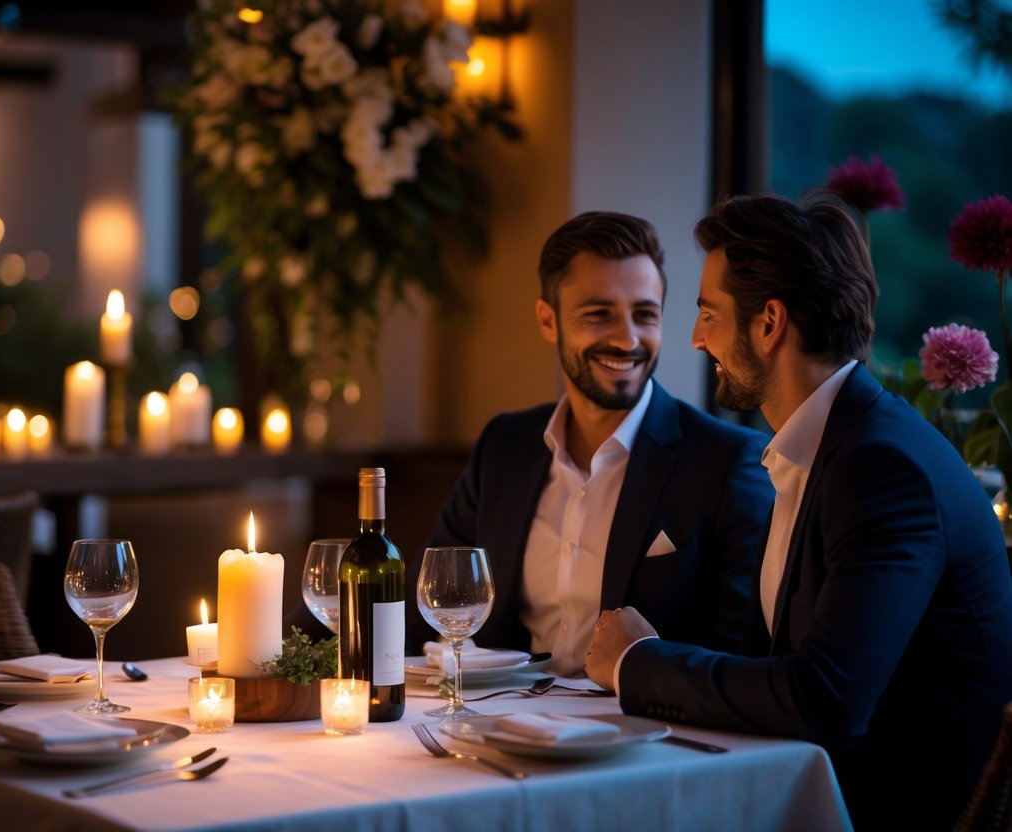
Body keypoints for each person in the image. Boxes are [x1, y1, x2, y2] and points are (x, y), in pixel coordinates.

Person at [585, 194, 1012, 831]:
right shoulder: (831, 446)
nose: (697, 339)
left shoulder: (881, 467)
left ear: (769, 322)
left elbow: (825, 699)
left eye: (708, 314)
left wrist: (637, 661)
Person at [406, 211, 774, 675]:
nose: (627, 339)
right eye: (599, 314)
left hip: (646, 737)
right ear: (547, 320)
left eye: (645, 314)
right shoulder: (505, 446)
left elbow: (738, 656)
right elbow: (424, 608)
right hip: (497, 731)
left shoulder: (726, 463)